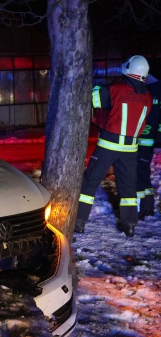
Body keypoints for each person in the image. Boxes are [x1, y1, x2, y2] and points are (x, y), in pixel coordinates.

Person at [75, 55, 153, 237]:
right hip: (130, 149)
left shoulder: (116, 89)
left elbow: (93, 100)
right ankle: (130, 225)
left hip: (108, 144)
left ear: (129, 68)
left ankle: (79, 221)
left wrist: (100, 87)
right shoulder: (147, 96)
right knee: (128, 188)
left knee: (90, 181)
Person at [136, 72, 161, 220]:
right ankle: (147, 208)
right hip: (145, 140)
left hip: (146, 141)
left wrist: (158, 141)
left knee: (139, 173)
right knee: (143, 172)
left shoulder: (153, 90)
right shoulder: (150, 89)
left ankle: (142, 209)